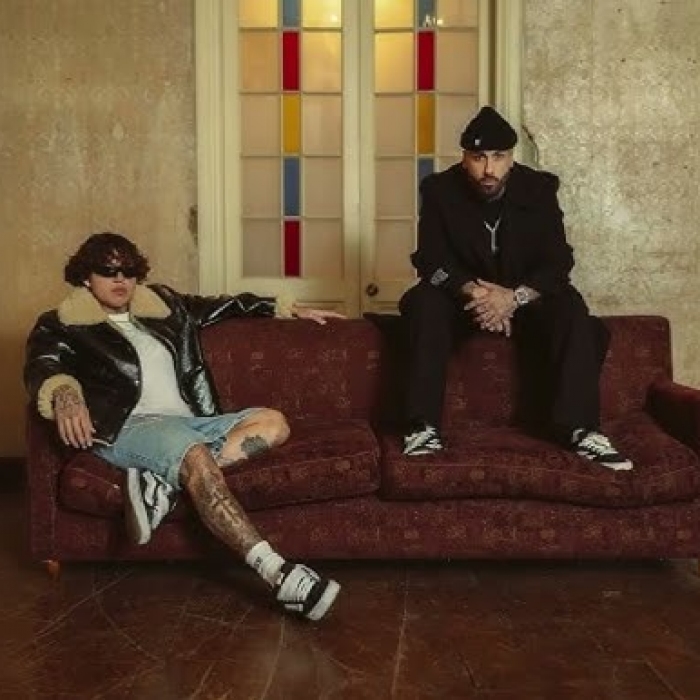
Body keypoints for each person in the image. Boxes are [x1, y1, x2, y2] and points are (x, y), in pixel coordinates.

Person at [24, 232, 345, 621]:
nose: (120, 278)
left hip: (187, 422)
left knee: (273, 424)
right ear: (86, 277)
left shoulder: (165, 306)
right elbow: (43, 364)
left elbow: (226, 305)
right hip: (127, 426)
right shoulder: (61, 323)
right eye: (107, 270)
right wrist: (64, 393)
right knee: (195, 459)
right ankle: (279, 575)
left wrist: (287, 308)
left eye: (128, 270)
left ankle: (161, 482)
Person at [399, 106, 632, 471]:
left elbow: (558, 263)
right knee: (423, 302)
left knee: (571, 310)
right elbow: (429, 260)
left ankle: (581, 430)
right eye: (478, 158)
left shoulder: (539, 188)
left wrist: (513, 298)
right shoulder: (439, 190)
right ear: (464, 158)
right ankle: (421, 428)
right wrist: (476, 293)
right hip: (464, 299)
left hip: (525, 298)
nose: (489, 170)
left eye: (498, 157)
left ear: (511, 157)